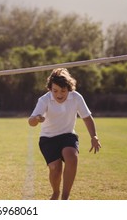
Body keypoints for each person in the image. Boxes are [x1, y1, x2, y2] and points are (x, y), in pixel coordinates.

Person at [28, 68, 101, 200]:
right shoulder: (44, 100)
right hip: (48, 138)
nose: (59, 94)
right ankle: (56, 192)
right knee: (55, 169)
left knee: (72, 158)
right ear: (50, 89)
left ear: (69, 89)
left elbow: (87, 117)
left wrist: (94, 136)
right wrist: (37, 119)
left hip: (67, 135)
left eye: (63, 91)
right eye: (55, 91)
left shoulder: (76, 97)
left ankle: (65, 198)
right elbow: (31, 122)